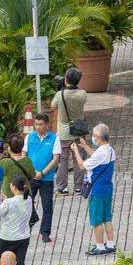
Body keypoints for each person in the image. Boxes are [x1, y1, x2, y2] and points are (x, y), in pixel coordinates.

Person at [70, 123, 118, 255]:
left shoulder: (100, 153)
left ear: (98, 137)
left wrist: (76, 151)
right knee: (106, 218)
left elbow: (82, 166)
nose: (92, 137)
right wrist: (85, 146)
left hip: (96, 190)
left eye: (94, 135)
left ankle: (100, 246)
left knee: (96, 220)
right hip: (107, 189)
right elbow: (96, 156)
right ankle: (110, 244)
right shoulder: (109, 150)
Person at [51, 67, 87, 196]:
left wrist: (61, 89)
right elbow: (81, 98)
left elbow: (53, 106)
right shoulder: (82, 94)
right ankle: (79, 186)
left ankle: (62, 187)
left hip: (64, 133)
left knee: (62, 160)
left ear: (65, 79)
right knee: (79, 159)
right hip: (79, 131)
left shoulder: (60, 95)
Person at [26, 113, 60, 243]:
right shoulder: (30, 137)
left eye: (41, 124)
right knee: (27, 203)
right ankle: (28, 226)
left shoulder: (54, 138)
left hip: (47, 178)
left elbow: (56, 158)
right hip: (31, 177)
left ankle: (45, 232)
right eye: (36, 124)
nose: (38, 127)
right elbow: (24, 155)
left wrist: (43, 172)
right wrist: (32, 171)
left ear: (47, 125)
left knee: (47, 206)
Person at [0, 176, 32, 265]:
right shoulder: (29, 199)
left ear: (14, 187)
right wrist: (6, 201)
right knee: (20, 263)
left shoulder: (9, 203)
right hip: (23, 237)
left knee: (3, 263)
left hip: (7, 238)